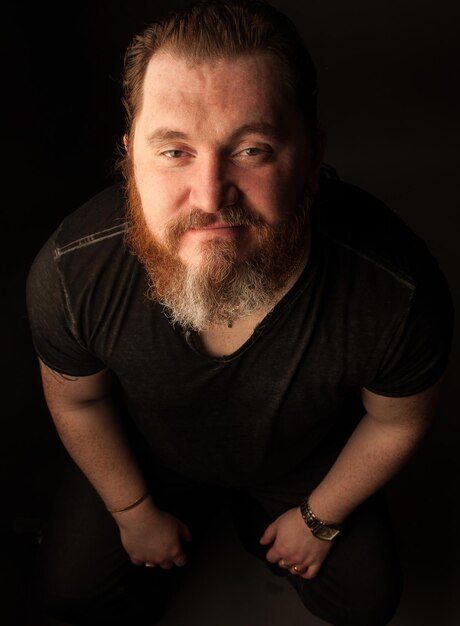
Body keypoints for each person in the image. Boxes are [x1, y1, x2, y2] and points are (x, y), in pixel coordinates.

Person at [25, 1, 453, 625]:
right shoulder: (71, 271)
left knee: (365, 603)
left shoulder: (396, 291)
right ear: (129, 156)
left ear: (310, 153)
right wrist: (133, 513)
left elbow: (395, 422)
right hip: (149, 456)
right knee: (67, 587)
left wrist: (318, 518)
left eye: (252, 150)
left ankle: (256, 512)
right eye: (174, 151)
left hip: (300, 466)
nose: (210, 195)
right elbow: (78, 402)